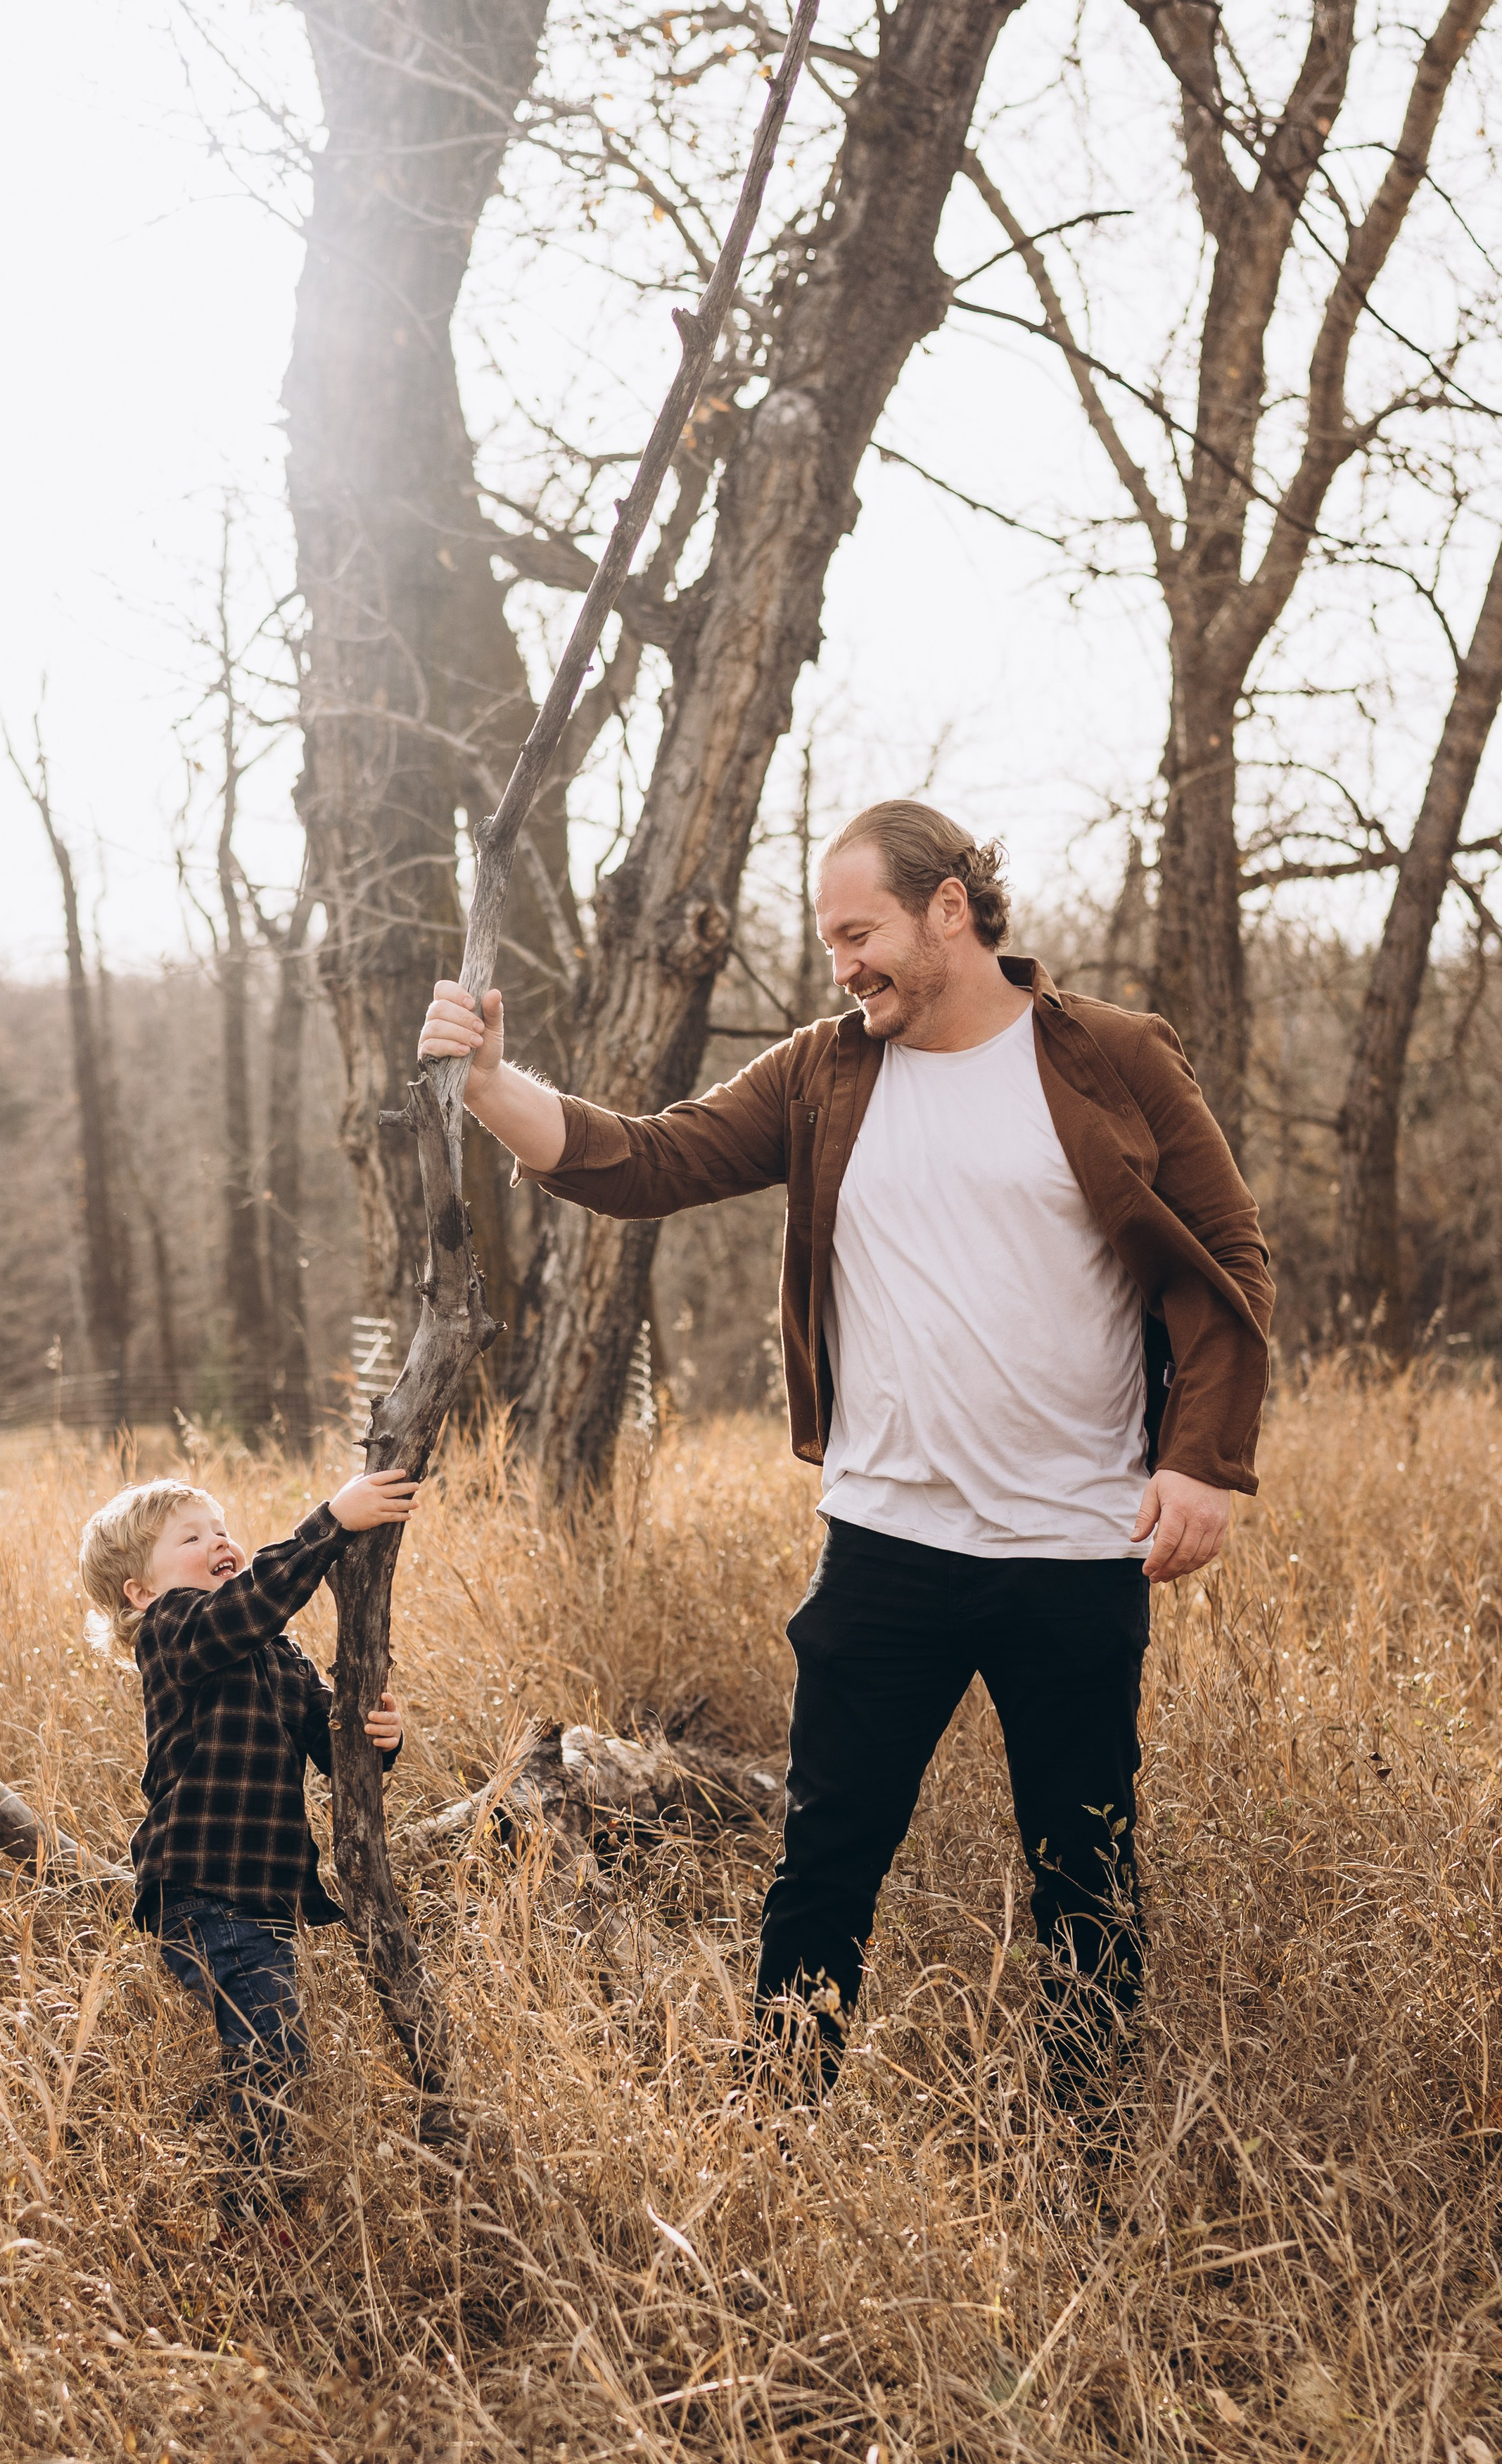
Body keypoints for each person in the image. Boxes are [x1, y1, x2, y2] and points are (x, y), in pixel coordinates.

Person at [417, 799, 1273, 2106]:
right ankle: (779, 2131)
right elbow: (647, 1161)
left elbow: (1230, 1261)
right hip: (884, 1549)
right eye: (829, 944)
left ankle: (1094, 2160)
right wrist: (487, 1085)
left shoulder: (1111, 1057)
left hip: (1072, 1546)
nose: (843, 966)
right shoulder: (825, 1074)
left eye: (861, 933)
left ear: (949, 910)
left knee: (1084, 1875)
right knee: (824, 1869)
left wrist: (1202, 1463)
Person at [78, 1468, 418, 2171]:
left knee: (265, 2043)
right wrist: (329, 1524)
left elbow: (336, 1753)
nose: (221, 1542)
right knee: (275, 2047)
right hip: (200, 1887)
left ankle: (221, 2141)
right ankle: (252, 2201)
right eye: (192, 1537)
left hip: (260, 1896)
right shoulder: (172, 1632)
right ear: (140, 1593)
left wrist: (376, 1736)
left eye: (222, 1529)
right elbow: (253, 1605)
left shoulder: (278, 1655)